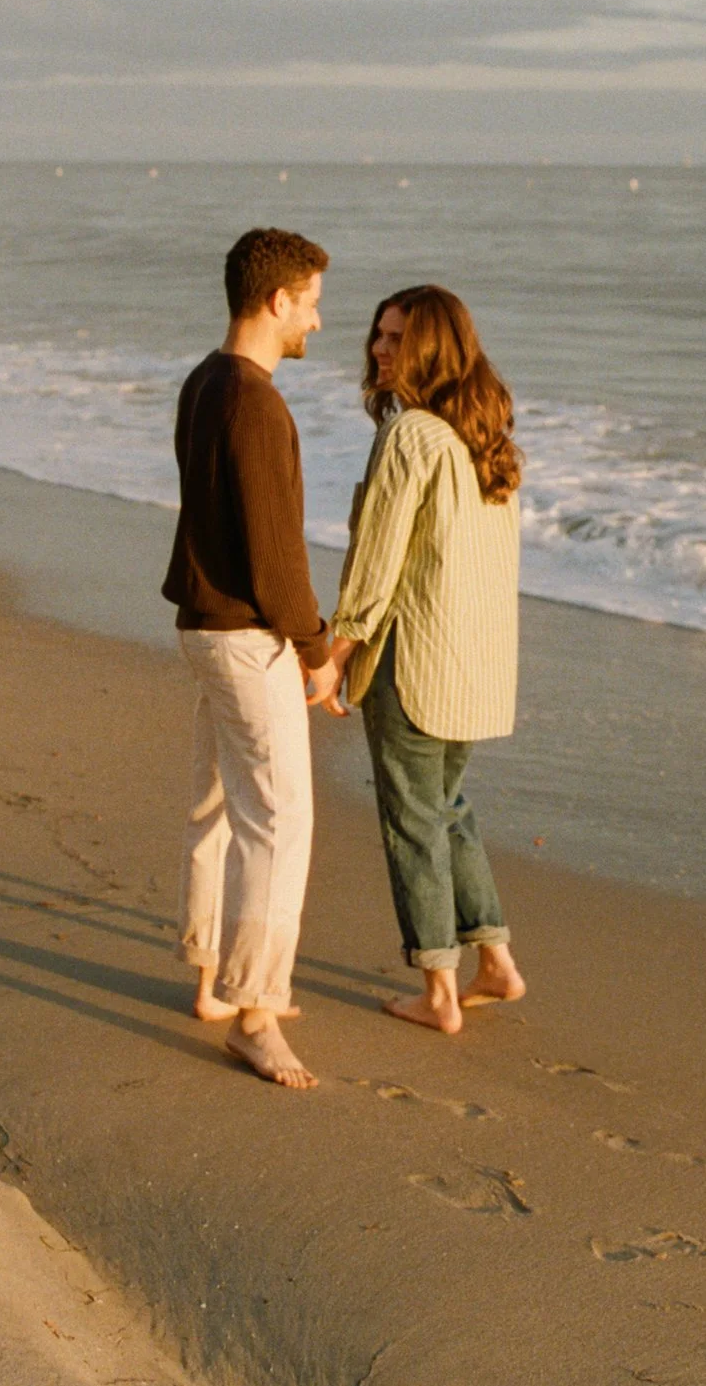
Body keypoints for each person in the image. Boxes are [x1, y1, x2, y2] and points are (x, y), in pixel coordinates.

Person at [162, 227, 341, 1089]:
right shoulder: (257, 402)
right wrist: (318, 651)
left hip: (201, 624)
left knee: (218, 805)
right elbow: (277, 558)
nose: (317, 318)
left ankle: (211, 979)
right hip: (242, 634)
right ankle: (256, 1011)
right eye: (310, 301)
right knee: (279, 817)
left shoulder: (204, 380)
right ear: (276, 301)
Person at [323, 286, 528, 1035]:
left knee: (412, 819)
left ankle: (439, 991)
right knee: (446, 808)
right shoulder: (484, 437)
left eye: (397, 338)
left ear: (433, 349)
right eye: (378, 335)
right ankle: (495, 962)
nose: (380, 349)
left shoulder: (410, 434)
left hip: (412, 662)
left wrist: (336, 651)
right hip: (475, 668)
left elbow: (377, 561)